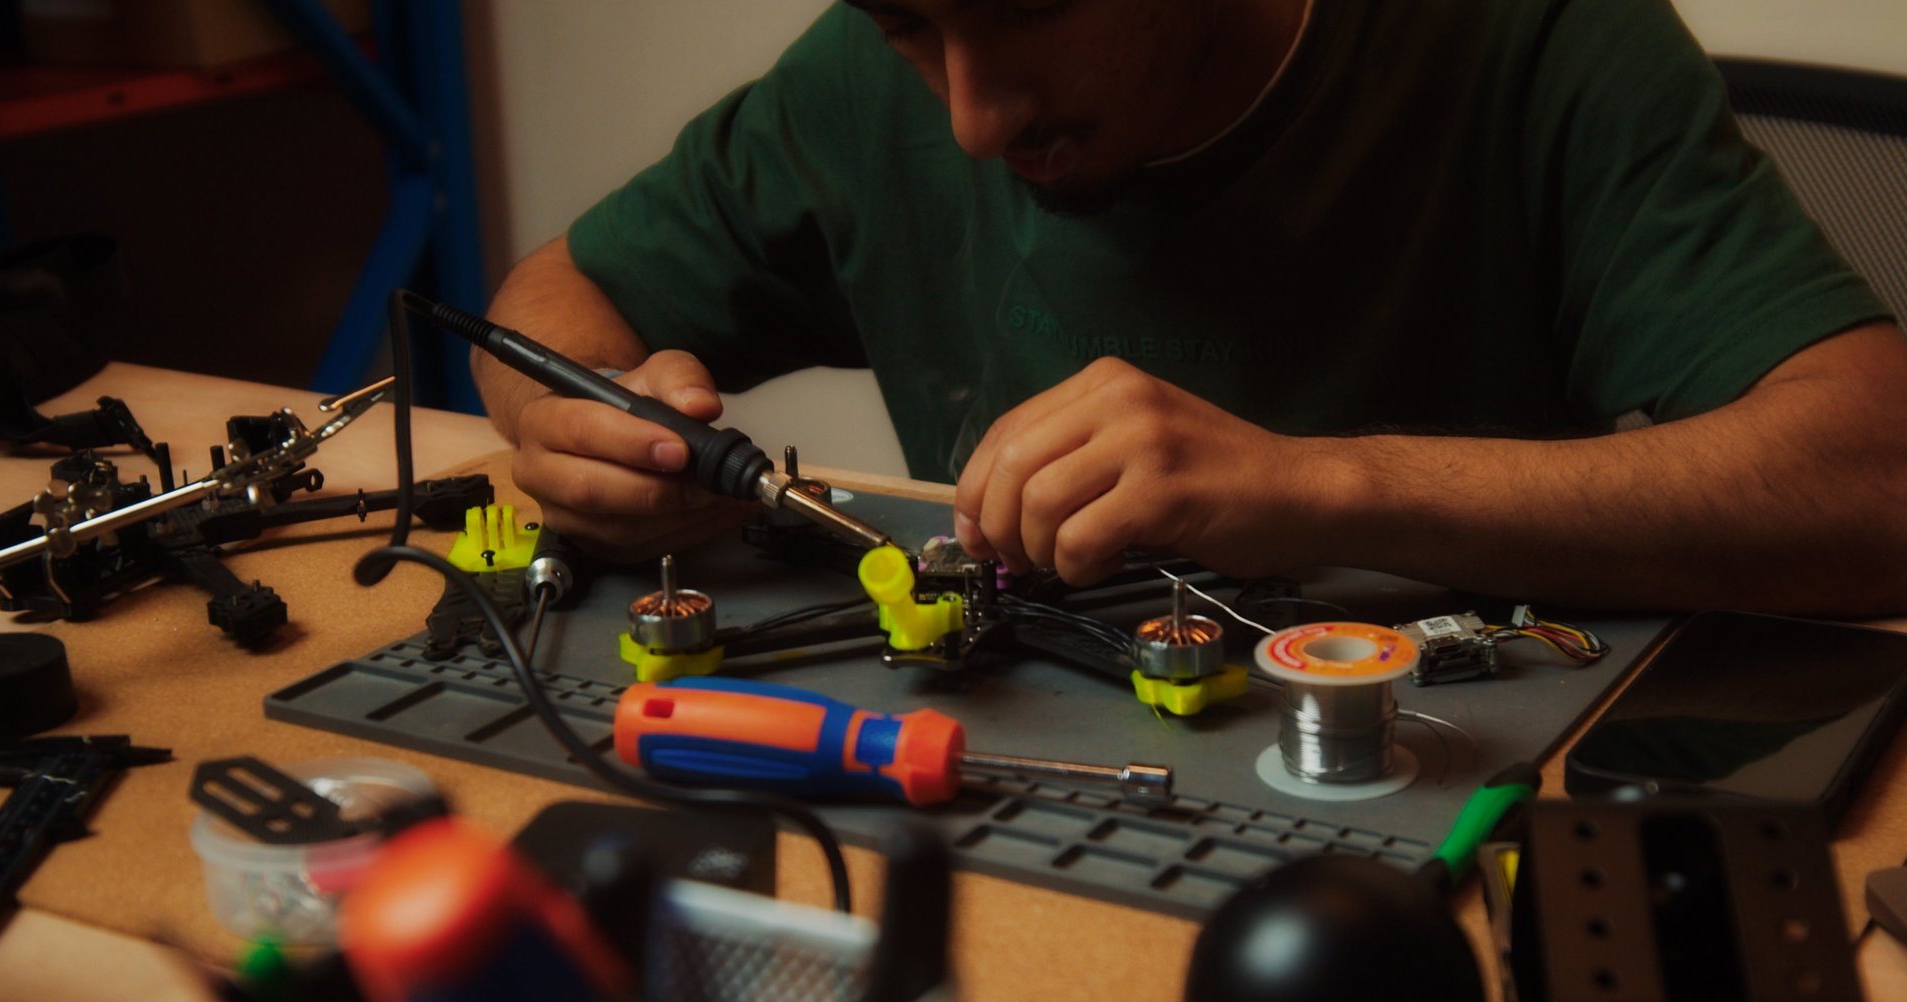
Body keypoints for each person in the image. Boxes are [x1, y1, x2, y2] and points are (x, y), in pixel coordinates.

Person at [472, 0, 1907, 615]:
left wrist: (1321, 488)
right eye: (909, 26)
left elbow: (1875, 478)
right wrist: (588, 431)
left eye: (1029, 7)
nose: (972, 119)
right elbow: (554, 298)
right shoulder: (857, 80)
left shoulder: (1540, 42)